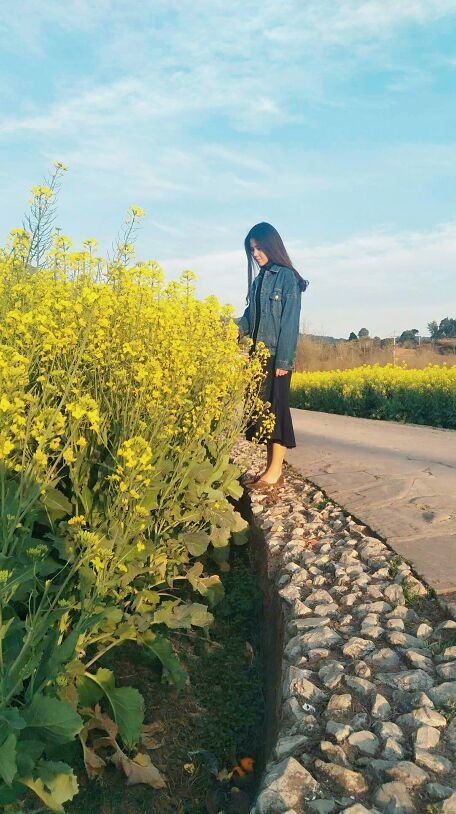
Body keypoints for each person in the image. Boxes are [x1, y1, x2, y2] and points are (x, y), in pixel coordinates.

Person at [234, 222, 309, 491]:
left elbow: (290, 323)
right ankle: (270, 469)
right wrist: (228, 330)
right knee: (263, 414)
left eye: (259, 247)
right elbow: (249, 317)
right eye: (252, 249)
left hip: (277, 356)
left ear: (271, 245)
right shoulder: (259, 281)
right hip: (258, 356)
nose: (255, 253)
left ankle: (275, 473)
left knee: (276, 413)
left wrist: (284, 362)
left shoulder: (287, 278)